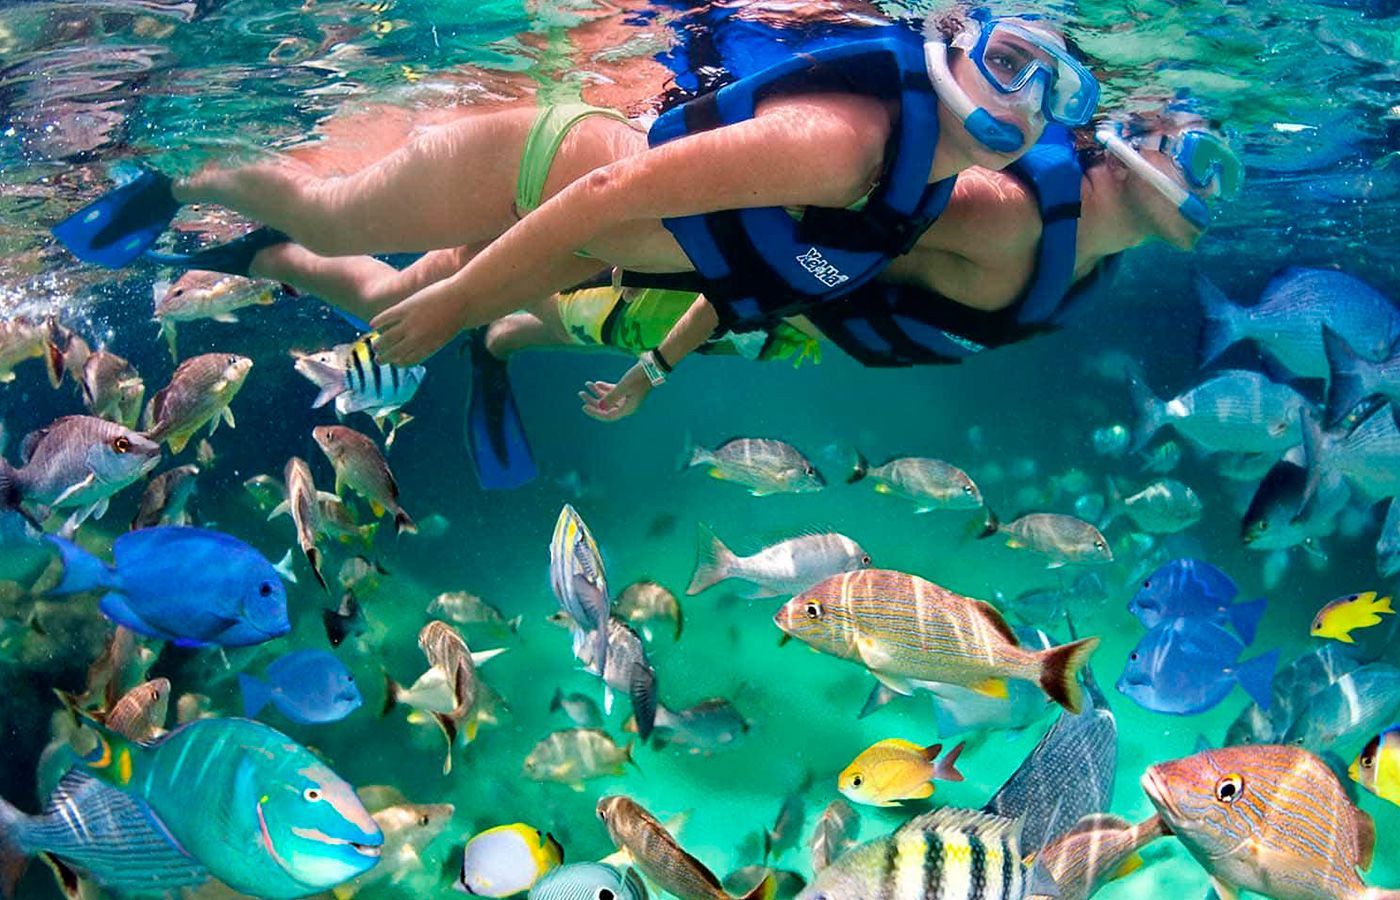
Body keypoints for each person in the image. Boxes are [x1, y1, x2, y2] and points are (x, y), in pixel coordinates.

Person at [51, 9, 1101, 487]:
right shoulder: (843, 144)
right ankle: (177, 168)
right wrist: (468, 304)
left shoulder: (919, 193)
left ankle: (241, 252)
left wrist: (649, 366)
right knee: (341, 214)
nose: (1024, 101)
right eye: (1010, 60)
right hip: (543, 166)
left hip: (595, 243)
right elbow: (611, 190)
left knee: (381, 296)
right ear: (951, 37)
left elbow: (755, 280)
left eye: (1053, 87)